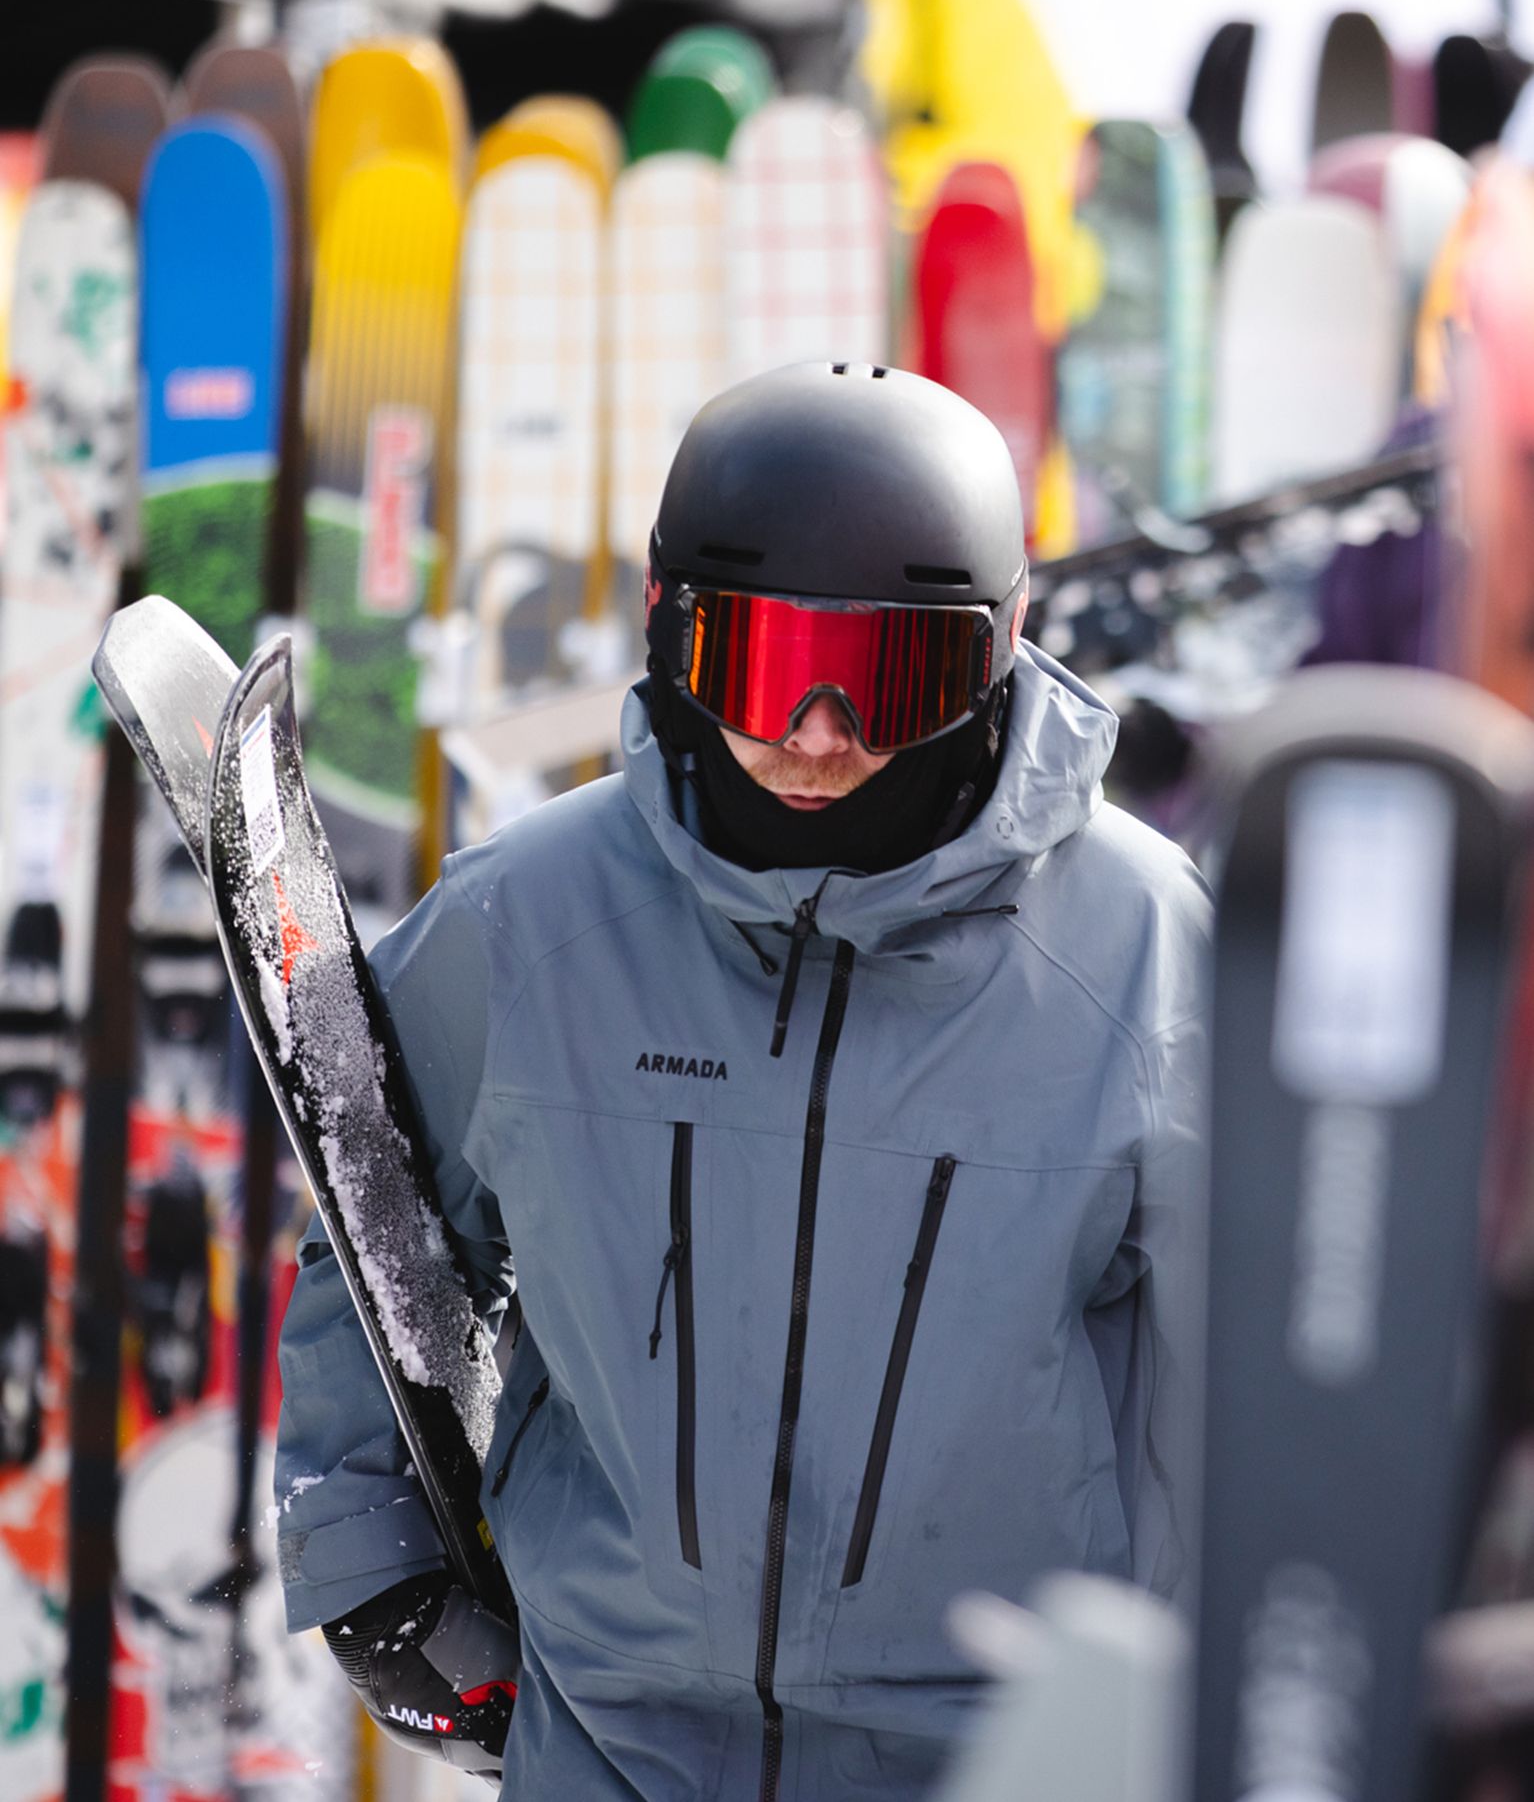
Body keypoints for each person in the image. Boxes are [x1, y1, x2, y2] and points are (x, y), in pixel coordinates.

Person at [275, 362, 1212, 1800]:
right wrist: (370, 1558)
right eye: (765, 671)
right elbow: (372, 1227)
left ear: (1003, 644)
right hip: (617, 1739)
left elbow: (1237, 1375)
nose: (818, 733)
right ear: (670, 631)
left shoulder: (1137, 950)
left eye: (890, 677)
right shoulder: (531, 923)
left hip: (1000, 1755)